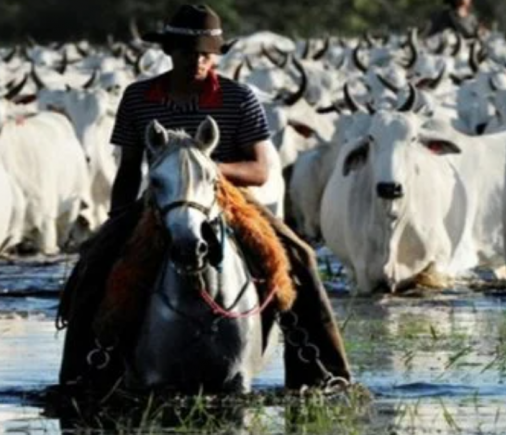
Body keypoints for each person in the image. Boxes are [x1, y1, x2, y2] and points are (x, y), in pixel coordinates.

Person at [56, 4, 351, 394]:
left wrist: (206, 168)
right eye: (188, 53)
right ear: (169, 52)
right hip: (157, 202)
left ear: (215, 56)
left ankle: (323, 370)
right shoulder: (139, 97)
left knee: (300, 258)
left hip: (231, 202)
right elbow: (129, 167)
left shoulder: (239, 97)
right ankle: (83, 374)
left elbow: (261, 170)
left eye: (206, 54)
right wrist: (117, 219)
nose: (197, 61)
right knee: (93, 265)